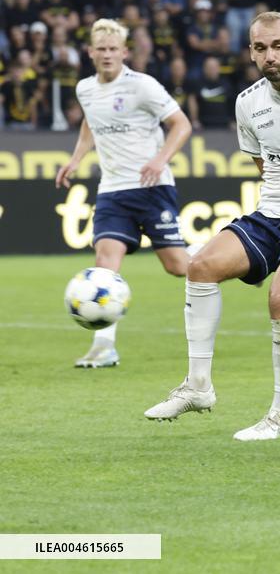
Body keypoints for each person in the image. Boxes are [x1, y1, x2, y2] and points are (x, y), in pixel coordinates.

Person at [143, 12, 280, 441]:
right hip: (274, 210)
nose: (270, 56)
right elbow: (263, 165)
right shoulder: (247, 102)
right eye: (261, 48)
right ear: (250, 52)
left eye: (278, 46)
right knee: (200, 267)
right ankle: (198, 387)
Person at [55, 18, 194, 369]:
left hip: (152, 188)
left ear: (125, 52)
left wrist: (160, 160)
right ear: (90, 52)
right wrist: (75, 160)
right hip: (112, 191)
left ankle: (233, 256)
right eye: (101, 49)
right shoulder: (85, 89)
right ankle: (104, 347)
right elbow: (90, 122)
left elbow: (181, 124)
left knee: (178, 266)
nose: (107, 55)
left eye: (113, 49)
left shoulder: (143, 86)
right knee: (105, 263)